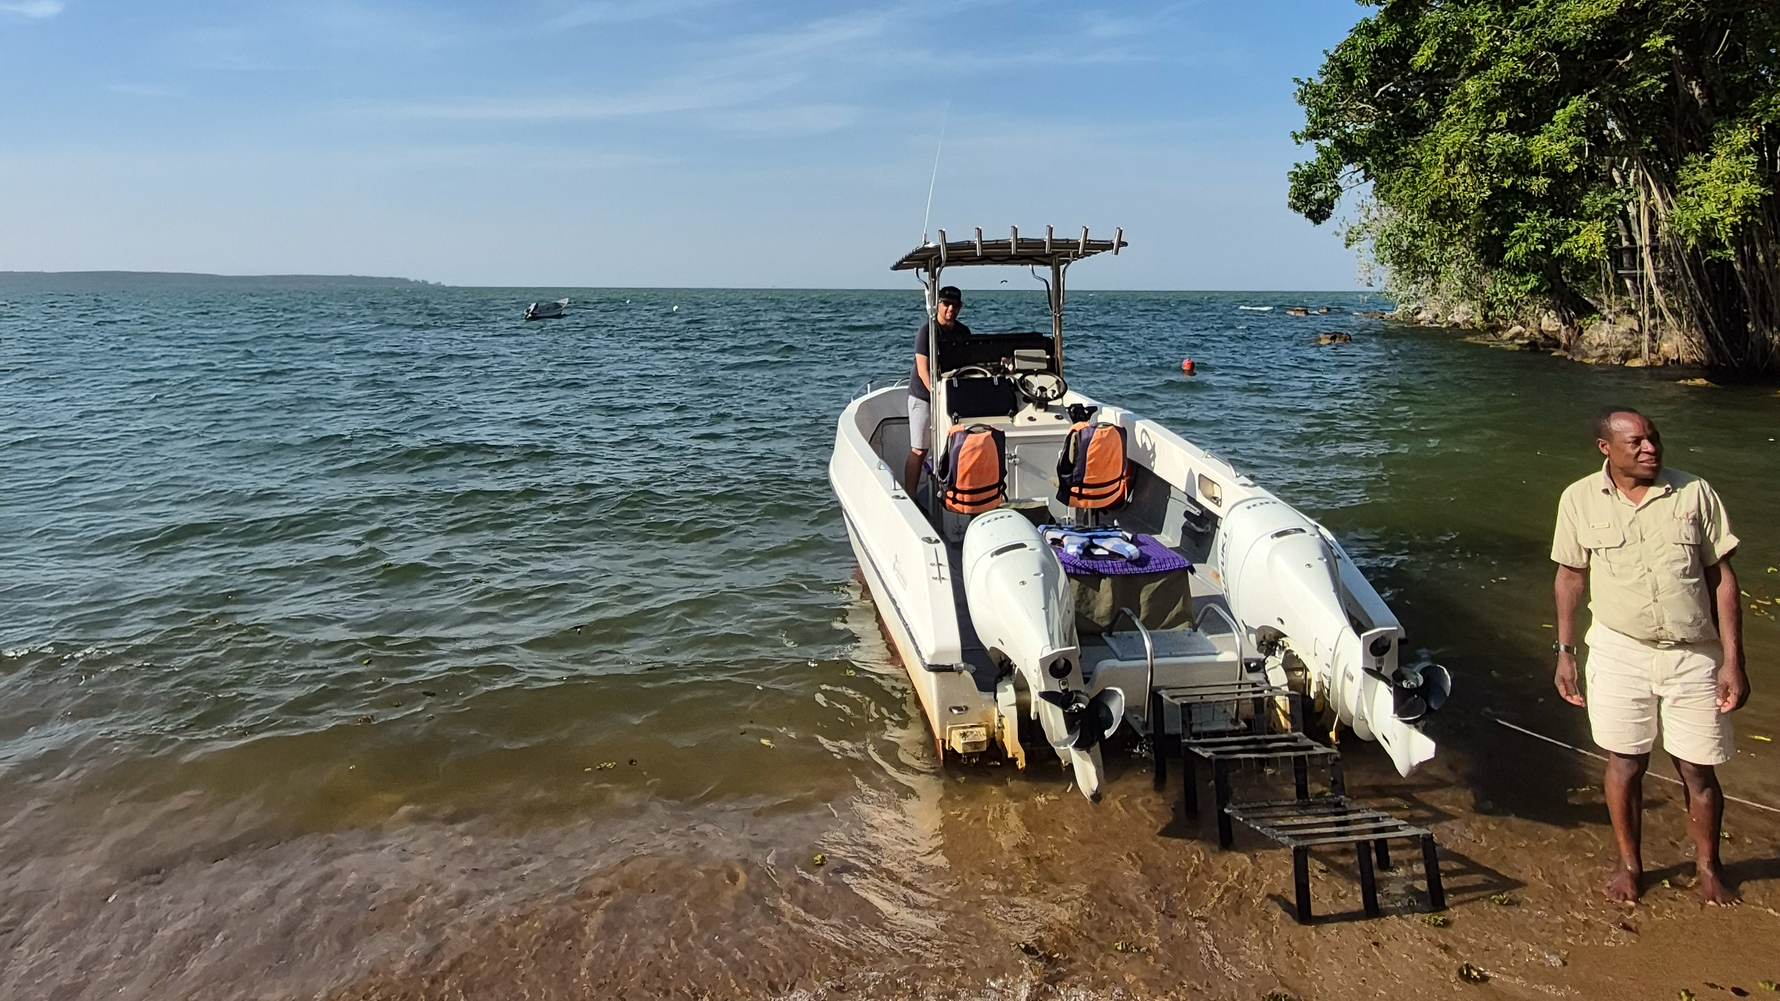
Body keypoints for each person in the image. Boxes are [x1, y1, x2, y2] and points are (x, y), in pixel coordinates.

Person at [1551, 406, 1750, 905]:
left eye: (1654, 438)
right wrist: (1565, 652)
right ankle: (1630, 865)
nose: (1650, 448)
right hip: (1619, 650)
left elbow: (1722, 579)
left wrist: (1733, 660)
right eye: (1636, 442)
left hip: (1694, 653)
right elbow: (1570, 578)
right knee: (1625, 762)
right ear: (1606, 449)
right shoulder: (1578, 499)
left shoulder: (1694, 492)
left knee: (1698, 767)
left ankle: (1709, 867)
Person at [903, 285, 970, 498]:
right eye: (946, 304)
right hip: (924, 396)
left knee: (956, 446)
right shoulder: (927, 331)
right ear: (938, 305)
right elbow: (923, 370)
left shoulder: (963, 332)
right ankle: (911, 495)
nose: (950, 309)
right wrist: (937, 395)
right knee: (920, 448)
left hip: (953, 396)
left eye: (955, 305)